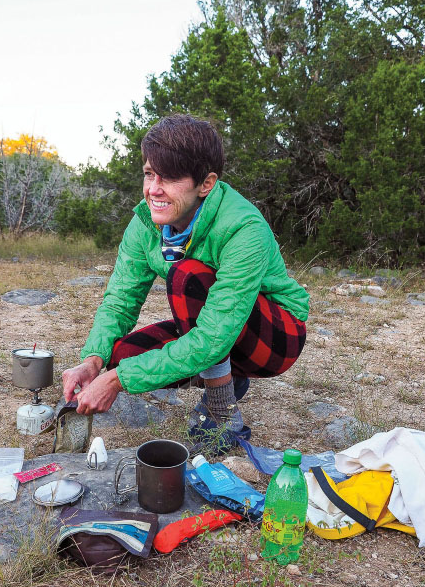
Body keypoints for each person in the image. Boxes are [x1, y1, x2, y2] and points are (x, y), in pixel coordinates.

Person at [61, 114, 309, 453]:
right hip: (220, 325)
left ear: (205, 184)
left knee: (186, 276)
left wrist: (116, 381)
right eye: (149, 174)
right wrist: (93, 361)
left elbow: (211, 337)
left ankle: (223, 414)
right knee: (123, 355)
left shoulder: (243, 226)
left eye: (171, 177)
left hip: (277, 337)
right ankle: (226, 377)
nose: (153, 189)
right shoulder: (146, 223)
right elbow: (120, 299)